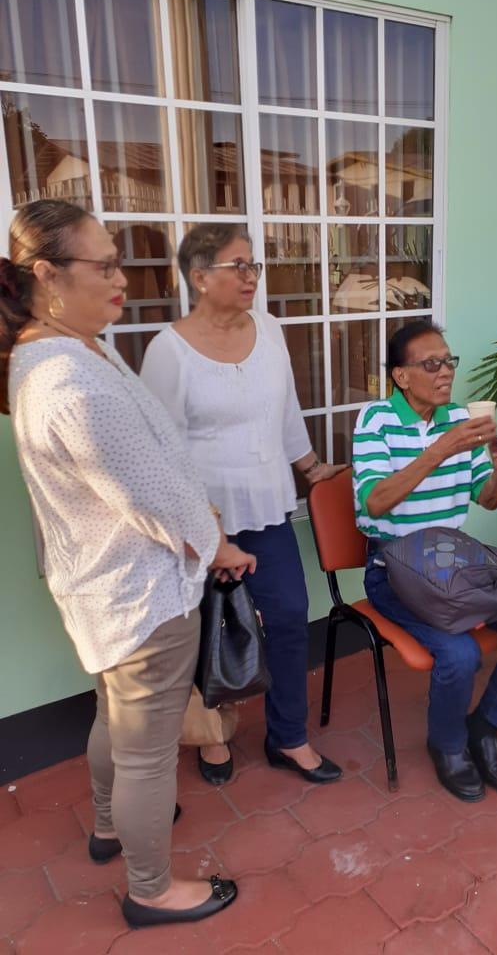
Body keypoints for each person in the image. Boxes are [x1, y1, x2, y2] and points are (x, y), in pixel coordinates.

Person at [1, 200, 255, 928]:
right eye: (105, 265)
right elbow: (151, 499)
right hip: (140, 595)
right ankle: (152, 890)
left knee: (115, 716)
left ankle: (110, 826)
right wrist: (218, 544)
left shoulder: (68, 349)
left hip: (105, 587)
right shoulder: (69, 380)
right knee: (147, 751)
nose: (122, 279)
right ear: (47, 274)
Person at [141, 223, 344, 787]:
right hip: (201, 518)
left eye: (254, 264)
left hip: (267, 506)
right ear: (200, 277)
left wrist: (310, 468)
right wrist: (197, 528)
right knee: (206, 631)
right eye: (239, 265)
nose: (252, 275)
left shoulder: (269, 328)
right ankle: (212, 736)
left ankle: (289, 737)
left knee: (288, 618)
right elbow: (161, 451)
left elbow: (287, 411)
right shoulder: (168, 351)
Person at [352, 321, 497, 802]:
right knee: (460, 654)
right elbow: (375, 503)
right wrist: (442, 449)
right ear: (401, 376)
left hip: (453, 564)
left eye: (448, 361)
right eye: (431, 364)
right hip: (394, 570)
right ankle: (447, 744)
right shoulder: (376, 420)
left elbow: (488, 500)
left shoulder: (460, 419)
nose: (445, 372)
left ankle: (486, 727)